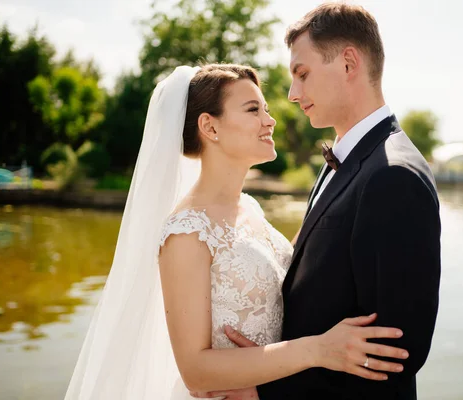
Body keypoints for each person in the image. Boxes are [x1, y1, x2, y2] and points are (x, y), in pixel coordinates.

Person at [64, 63, 409, 400]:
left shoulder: (250, 208)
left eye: (266, 109)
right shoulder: (186, 233)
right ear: (210, 128)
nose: (270, 120)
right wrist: (319, 350)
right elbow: (195, 370)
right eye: (252, 109)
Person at [202, 3, 442, 399]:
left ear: (349, 63)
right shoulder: (348, 159)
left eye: (303, 74)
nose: (293, 94)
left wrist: (265, 389)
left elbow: (394, 353)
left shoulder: (392, 176)